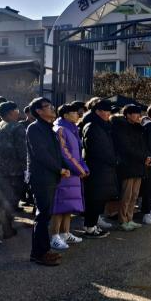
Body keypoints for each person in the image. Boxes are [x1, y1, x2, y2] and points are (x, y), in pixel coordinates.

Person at [26, 97, 68, 266]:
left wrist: (66, 167)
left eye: (51, 105)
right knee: (42, 215)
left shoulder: (49, 129)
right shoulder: (34, 128)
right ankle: (38, 253)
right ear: (38, 111)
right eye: (47, 106)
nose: (52, 108)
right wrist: (59, 169)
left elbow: (57, 154)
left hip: (50, 176)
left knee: (45, 214)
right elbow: (41, 154)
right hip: (41, 177)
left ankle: (43, 250)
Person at [0, 101, 27, 238]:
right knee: (11, 202)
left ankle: (7, 231)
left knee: (1, 201)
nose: (18, 112)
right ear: (11, 112)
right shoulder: (17, 127)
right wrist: (27, 169)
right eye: (16, 109)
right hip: (13, 172)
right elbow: (23, 151)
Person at [50, 103, 89, 250]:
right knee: (59, 206)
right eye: (74, 112)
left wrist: (83, 168)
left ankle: (65, 233)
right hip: (65, 173)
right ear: (65, 115)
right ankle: (54, 236)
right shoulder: (61, 129)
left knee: (68, 206)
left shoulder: (72, 129)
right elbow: (64, 153)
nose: (78, 115)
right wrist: (80, 169)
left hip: (73, 173)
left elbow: (77, 154)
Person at [82, 99, 118, 237]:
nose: (109, 113)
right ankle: (89, 227)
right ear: (98, 111)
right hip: (97, 168)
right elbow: (96, 150)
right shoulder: (92, 126)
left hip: (104, 168)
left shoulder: (103, 125)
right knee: (94, 198)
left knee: (99, 198)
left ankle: (93, 224)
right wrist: (113, 160)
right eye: (106, 110)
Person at [111, 105, 147, 232]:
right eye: (136, 113)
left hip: (139, 164)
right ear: (127, 115)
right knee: (126, 195)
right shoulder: (121, 127)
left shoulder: (138, 128)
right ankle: (123, 220)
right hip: (127, 165)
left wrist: (145, 156)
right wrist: (143, 157)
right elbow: (126, 147)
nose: (139, 116)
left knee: (135, 195)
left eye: (139, 113)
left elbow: (142, 146)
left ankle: (130, 218)